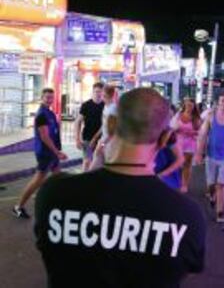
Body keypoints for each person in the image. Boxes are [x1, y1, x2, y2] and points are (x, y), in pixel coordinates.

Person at [34, 88, 206, 287]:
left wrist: (97, 161)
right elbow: (183, 270)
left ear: (111, 124)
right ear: (164, 138)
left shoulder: (54, 194)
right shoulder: (186, 216)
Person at [13, 89, 68, 219]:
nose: (49, 100)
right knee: (38, 180)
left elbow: (53, 133)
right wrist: (57, 152)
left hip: (52, 153)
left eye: (51, 98)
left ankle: (60, 203)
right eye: (47, 97)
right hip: (45, 153)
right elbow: (44, 137)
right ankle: (18, 207)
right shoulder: (41, 114)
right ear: (42, 98)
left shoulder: (49, 112)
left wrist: (57, 151)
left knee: (58, 177)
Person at [195, 92, 224, 223]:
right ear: (218, 102)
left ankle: (220, 212)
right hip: (211, 155)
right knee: (211, 185)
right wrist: (199, 153)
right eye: (222, 101)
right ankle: (212, 195)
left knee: (221, 185)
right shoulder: (210, 116)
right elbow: (203, 136)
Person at [171, 98, 201, 193]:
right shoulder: (178, 115)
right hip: (178, 142)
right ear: (184, 105)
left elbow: (199, 132)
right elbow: (171, 128)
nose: (189, 107)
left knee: (186, 164)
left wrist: (191, 132)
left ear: (194, 107)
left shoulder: (196, 118)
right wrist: (176, 129)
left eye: (191, 106)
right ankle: (177, 181)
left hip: (190, 143)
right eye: (188, 105)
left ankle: (185, 184)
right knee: (177, 163)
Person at [75, 82, 105, 172]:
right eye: (96, 91)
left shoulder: (105, 106)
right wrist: (77, 138)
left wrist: (95, 139)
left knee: (99, 161)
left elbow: (105, 125)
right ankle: (84, 182)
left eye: (100, 92)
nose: (98, 94)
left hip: (101, 139)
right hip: (87, 137)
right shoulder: (86, 105)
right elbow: (78, 122)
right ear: (92, 92)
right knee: (87, 160)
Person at [89, 85, 117, 170]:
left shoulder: (113, 109)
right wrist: (95, 138)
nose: (100, 95)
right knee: (94, 167)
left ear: (105, 95)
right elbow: (104, 125)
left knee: (101, 168)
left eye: (102, 93)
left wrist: (102, 144)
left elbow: (112, 131)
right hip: (104, 141)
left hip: (110, 143)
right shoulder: (106, 106)